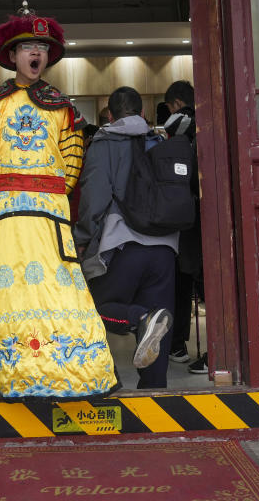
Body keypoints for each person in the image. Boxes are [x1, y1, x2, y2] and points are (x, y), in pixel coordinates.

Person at [0, 0, 117, 400]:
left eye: (41, 49)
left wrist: (52, 190)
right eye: (27, 48)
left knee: (59, 290)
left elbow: (73, 158)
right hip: (6, 209)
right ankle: (17, 376)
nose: (35, 54)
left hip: (48, 210)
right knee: (7, 291)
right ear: (13, 55)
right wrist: (8, 186)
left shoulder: (62, 108)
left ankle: (71, 372)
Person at [74, 86, 179, 389]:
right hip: (163, 246)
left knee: (96, 311)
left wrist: (83, 237)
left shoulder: (103, 143)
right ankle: (155, 391)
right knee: (161, 317)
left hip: (122, 245)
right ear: (143, 113)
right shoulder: (159, 142)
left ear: (109, 114)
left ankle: (138, 321)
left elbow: (94, 197)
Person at [162, 80, 207, 374]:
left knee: (183, 282)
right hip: (209, 217)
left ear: (176, 104)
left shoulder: (178, 126)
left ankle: (179, 344)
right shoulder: (209, 123)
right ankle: (216, 348)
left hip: (187, 218)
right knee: (208, 285)